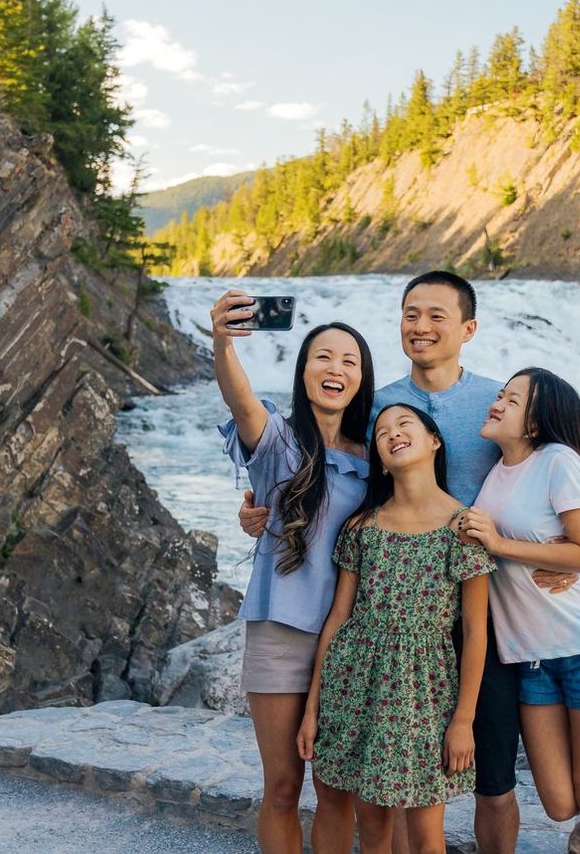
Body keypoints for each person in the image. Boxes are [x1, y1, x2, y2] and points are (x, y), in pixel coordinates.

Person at [238, 271, 575, 854]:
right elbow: (320, 465)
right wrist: (258, 506)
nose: (421, 327)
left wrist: (568, 550)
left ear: (468, 328)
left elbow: (559, 468)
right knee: (380, 792)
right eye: (410, 314)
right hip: (386, 612)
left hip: (484, 607)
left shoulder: (498, 401)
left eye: (436, 316)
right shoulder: (375, 406)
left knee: (492, 777)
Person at [210, 292, 372, 854]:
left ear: (361, 379)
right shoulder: (278, 440)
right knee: (282, 786)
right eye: (323, 357)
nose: (336, 369)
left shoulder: (377, 456)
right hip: (280, 629)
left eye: (349, 361)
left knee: (337, 790)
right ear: (304, 372)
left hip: (350, 639)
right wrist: (223, 342)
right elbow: (241, 401)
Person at [298, 403, 495, 854]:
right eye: (382, 432)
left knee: (427, 835)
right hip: (354, 689)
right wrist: (313, 709)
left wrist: (463, 721)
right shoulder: (362, 527)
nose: (392, 433)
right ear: (381, 462)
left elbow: (476, 633)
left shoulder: (462, 527)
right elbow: (337, 621)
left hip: (423, 696)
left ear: (434, 442)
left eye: (404, 424)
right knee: (372, 829)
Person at [460, 368, 580, 854]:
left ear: (535, 423)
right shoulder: (495, 470)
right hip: (529, 658)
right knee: (558, 803)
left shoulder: (557, 460)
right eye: (500, 394)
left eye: (512, 400)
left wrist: (501, 543)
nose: (497, 403)